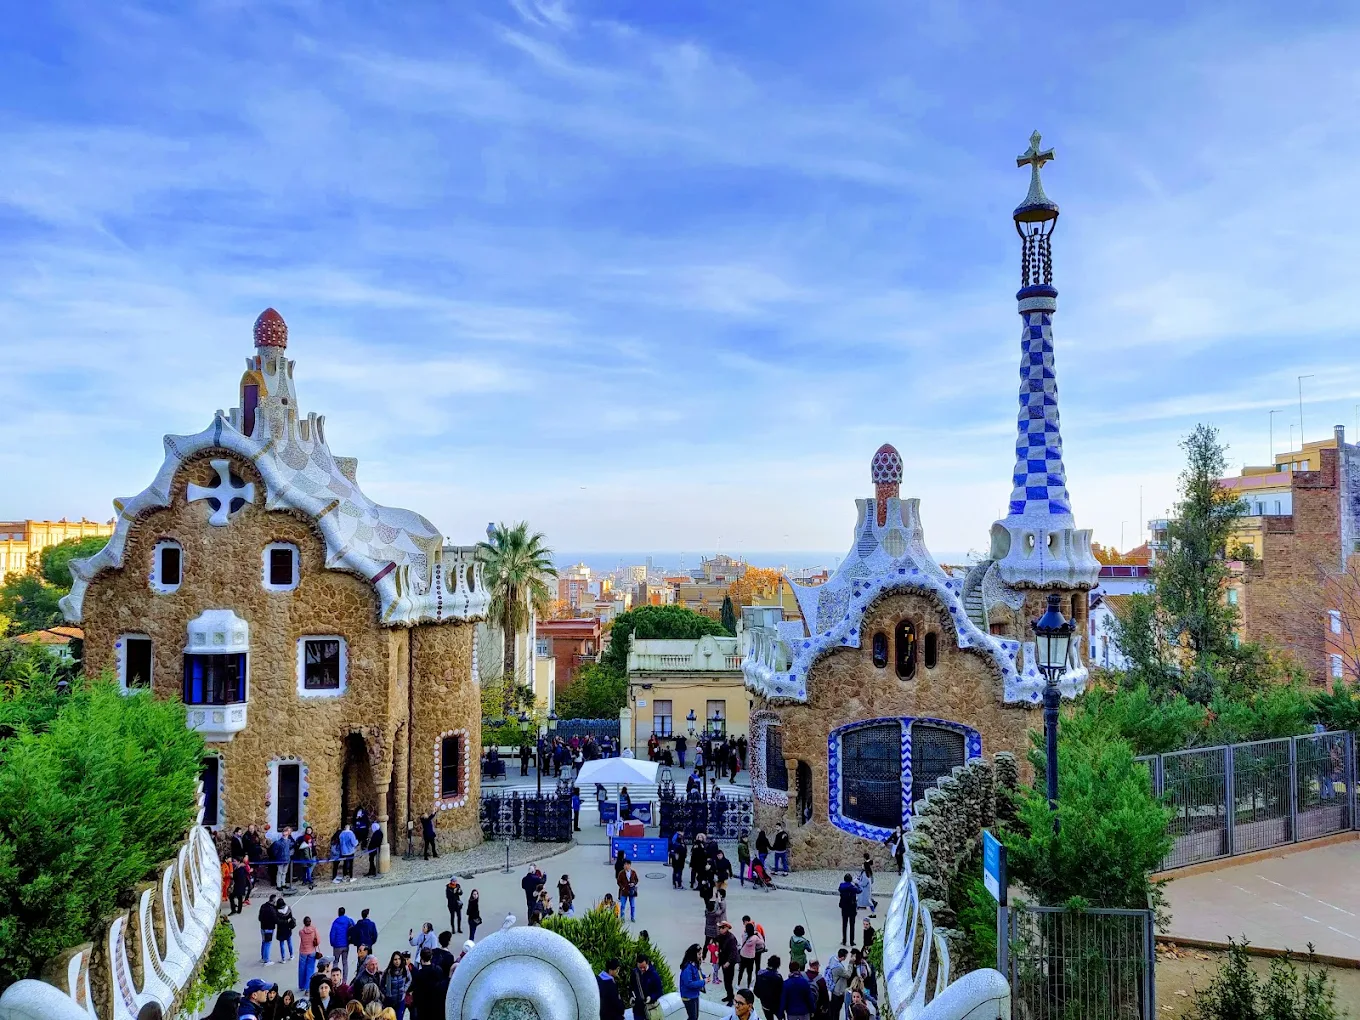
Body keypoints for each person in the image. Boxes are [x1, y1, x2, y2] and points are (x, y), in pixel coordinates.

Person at [410, 948, 446, 1019]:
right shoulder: (438, 970)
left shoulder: (419, 974)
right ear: (431, 957)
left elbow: (415, 991)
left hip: (423, 1007)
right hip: (436, 1005)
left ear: (421, 958)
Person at [629, 955, 663, 1020]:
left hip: (650, 1008)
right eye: (640, 967)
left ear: (647, 963)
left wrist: (651, 997)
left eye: (644, 967)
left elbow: (659, 991)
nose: (642, 969)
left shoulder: (653, 974)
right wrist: (631, 996)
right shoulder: (634, 973)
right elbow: (631, 987)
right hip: (638, 1009)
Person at [380, 951, 409, 1020]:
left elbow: (409, 979)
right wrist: (386, 993)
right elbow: (382, 984)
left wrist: (404, 989)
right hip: (390, 1001)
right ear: (392, 960)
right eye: (395, 959)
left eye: (399, 959)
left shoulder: (405, 969)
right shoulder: (388, 972)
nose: (397, 961)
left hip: (400, 1000)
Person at [716, 920, 740, 1006]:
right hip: (723, 960)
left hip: (730, 962)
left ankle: (731, 998)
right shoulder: (720, 937)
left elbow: (733, 952)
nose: (720, 929)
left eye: (722, 928)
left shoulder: (731, 938)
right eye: (720, 928)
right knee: (726, 981)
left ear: (727, 928)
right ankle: (728, 995)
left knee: (729, 982)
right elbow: (717, 946)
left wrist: (728, 962)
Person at [679, 945, 706, 1020]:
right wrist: (703, 982)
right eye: (699, 954)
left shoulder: (695, 963)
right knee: (693, 1017)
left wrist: (704, 977)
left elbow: (698, 974)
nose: (701, 956)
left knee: (695, 1017)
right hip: (688, 996)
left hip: (694, 994)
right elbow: (689, 983)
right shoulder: (687, 967)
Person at [754, 955, 784, 1020]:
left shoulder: (760, 974)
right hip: (777, 1005)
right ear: (778, 965)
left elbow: (756, 991)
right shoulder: (778, 977)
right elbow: (782, 992)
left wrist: (762, 997)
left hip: (765, 1005)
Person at [329, 908, 356, 981]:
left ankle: (335, 978)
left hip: (337, 946)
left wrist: (332, 943)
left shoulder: (335, 922)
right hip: (346, 944)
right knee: (345, 962)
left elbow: (332, 934)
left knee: (335, 961)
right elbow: (355, 928)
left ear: (338, 913)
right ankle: (344, 980)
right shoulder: (349, 920)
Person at [297, 915, 321, 993]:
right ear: (310, 922)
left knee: (302, 969)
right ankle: (308, 988)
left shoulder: (301, 932)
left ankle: (301, 986)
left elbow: (301, 937)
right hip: (312, 952)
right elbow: (318, 941)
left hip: (303, 952)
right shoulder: (314, 930)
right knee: (310, 970)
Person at [824, 950, 850, 1019]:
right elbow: (848, 975)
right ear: (843, 957)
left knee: (833, 1008)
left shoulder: (833, 959)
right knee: (836, 1009)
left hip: (834, 988)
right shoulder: (838, 968)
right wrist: (851, 964)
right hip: (838, 991)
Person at [737, 922, 765, 986]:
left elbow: (744, 934)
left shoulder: (744, 935)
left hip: (743, 954)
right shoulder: (755, 938)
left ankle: (738, 984)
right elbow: (762, 942)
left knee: (741, 970)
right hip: (750, 957)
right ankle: (748, 986)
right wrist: (758, 933)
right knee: (749, 972)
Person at [837, 875, 860, 946]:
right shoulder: (853, 887)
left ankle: (844, 940)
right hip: (852, 907)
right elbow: (860, 890)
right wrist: (856, 884)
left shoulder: (841, 886)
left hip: (844, 907)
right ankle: (851, 941)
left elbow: (839, 889)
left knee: (844, 924)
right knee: (852, 925)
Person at [616, 858, 639, 923]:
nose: (626, 866)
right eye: (625, 864)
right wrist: (622, 887)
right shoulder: (621, 873)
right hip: (624, 892)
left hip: (631, 891)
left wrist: (634, 883)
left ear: (630, 865)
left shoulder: (633, 872)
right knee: (623, 905)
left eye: (627, 864)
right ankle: (622, 918)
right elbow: (618, 882)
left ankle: (632, 917)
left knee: (632, 905)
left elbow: (637, 880)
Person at [275, 898, 297, 964]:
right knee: (289, 942)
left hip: (281, 930)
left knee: (282, 944)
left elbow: (277, 921)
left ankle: (283, 958)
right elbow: (291, 918)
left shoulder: (277, 912)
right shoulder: (288, 909)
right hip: (288, 928)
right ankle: (291, 955)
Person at [259, 895, 279, 965]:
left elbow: (259, 918)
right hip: (269, 928)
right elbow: (276, 920)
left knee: (264, 942)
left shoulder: (263, 906)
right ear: (273, 901)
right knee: (268, 943)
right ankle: (267, 960)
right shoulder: (272, 910)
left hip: (262, 927)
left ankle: (263, 957)